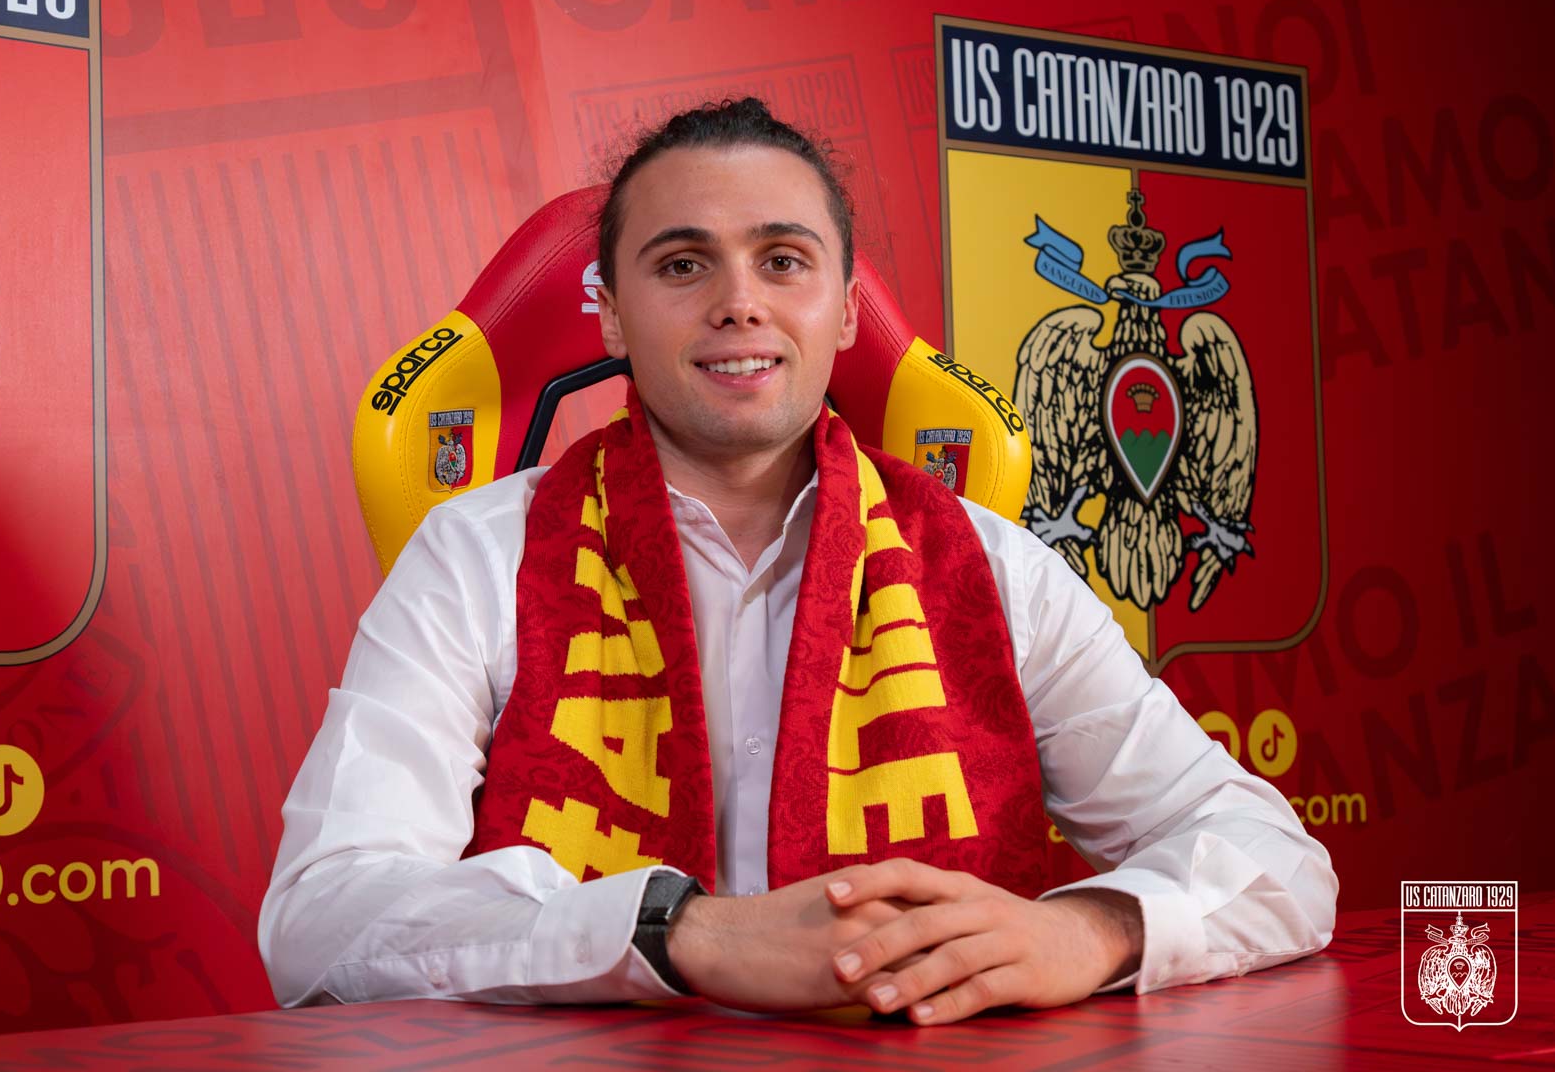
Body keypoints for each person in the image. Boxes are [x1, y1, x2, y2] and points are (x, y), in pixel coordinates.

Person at [259, 98, 1336, 1026]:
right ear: (612, 318)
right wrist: (678, 934)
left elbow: (1275, 859)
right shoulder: (476, 555)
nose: (739, 301)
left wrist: (1095, 931)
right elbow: (321, 919)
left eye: (783, 261)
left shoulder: (990, 566)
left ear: (845, 308)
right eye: (682, 265)